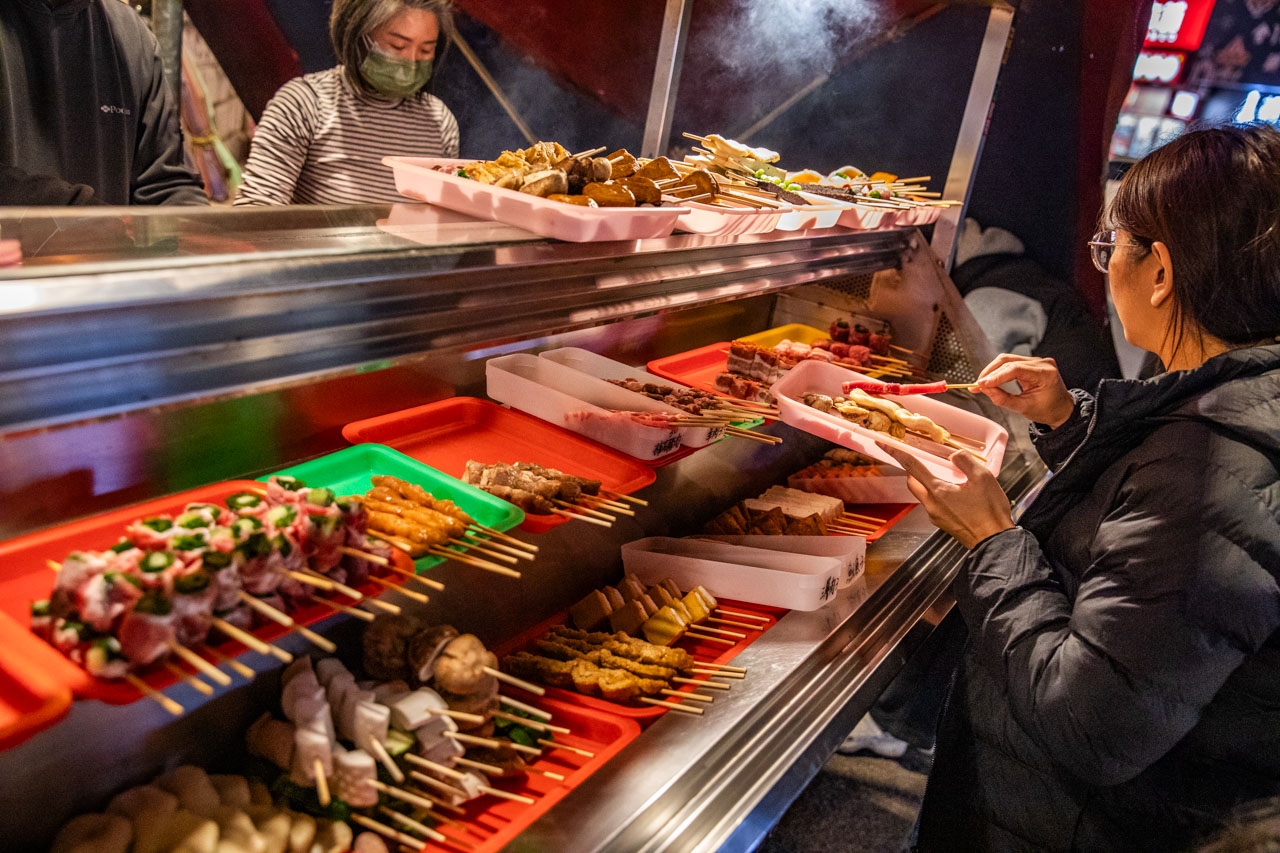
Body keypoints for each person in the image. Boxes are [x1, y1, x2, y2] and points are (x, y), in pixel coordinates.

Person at [880, 124, 1280, 852]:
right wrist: (1069, 420)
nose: (1103, 268)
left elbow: (1093, 722)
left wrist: (993, 540)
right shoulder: (1233, 406)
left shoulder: (1214, 472)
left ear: (1160, 271)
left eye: (1111, 247)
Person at [235, 0, 460, 206]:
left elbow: (442, 217)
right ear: (358, 36)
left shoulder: (439, 121)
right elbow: (257, 208)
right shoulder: (304, 104)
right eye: (397, 46)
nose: (411, 61)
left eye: (425, 50)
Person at [0, 0, 207, 206]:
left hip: (108, 237)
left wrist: (203, 230)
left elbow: (166, 185)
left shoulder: (132, 35)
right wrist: (81, 215)